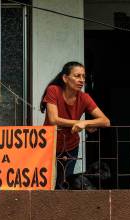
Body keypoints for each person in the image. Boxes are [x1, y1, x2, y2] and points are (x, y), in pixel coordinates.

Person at [40, 61, 110, 189]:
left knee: (64, 183)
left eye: (83, 76)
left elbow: (105, 121)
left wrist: (86, 123)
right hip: (49, 143)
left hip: (70, 145)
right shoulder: (54, 90)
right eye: (77, 76)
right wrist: (80, 123)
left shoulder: (84, 97)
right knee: (44, 181)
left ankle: (60, 208)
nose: (81, 80)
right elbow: (53, 119)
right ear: (65, 78)